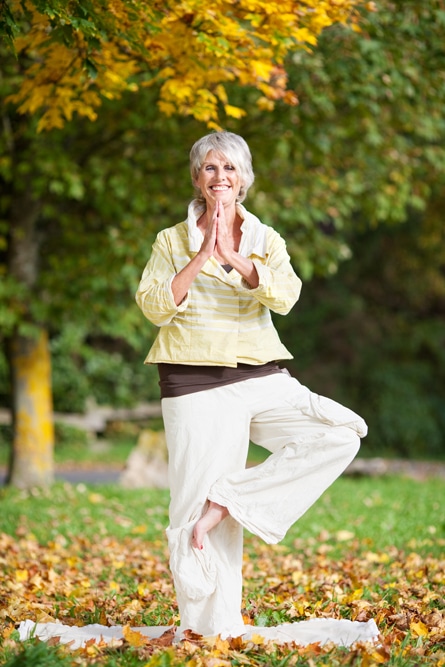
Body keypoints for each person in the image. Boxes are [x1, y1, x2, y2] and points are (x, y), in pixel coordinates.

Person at [135, 131, 368, 639]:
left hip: (261, 375)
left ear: (245, 180)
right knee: (190, 513)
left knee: (340, 433)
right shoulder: (171, 241)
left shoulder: (267, 240)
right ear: (197, 177)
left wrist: (235, 257)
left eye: (231, 169)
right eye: (211, 168)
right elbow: (153, 306)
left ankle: (229, 501)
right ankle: (208, 632)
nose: (221, 177)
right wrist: (201, 257)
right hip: (193, 382)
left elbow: (285, 296)